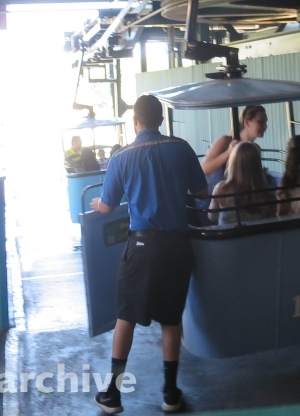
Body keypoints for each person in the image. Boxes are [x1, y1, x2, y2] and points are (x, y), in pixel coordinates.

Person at [90, 94, 208, 414]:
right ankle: (170, 394)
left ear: (135, 122)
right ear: (161, 119)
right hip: (178, 245)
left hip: (141, 246)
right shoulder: (181, 148)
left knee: (126, 317)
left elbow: (109, 204)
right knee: (171, 319)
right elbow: (201, 191)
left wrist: (97, 206)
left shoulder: (122, 157)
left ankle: (113, 395)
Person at [208, 141, 277, 226]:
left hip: (228, 236)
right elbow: (271, 220)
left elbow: (211, 216)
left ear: (232, 163)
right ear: (258, 164)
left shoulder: (221, 189)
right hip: (258, 236)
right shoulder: (268, 193)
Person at [201, 105, 268, 191]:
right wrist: (227, 153)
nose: (265, 126)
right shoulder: (225, 141)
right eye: (260, 122)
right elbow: (203, 169)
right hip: (213, 194)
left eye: (265, 122)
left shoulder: (256, 148)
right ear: (247, 123)